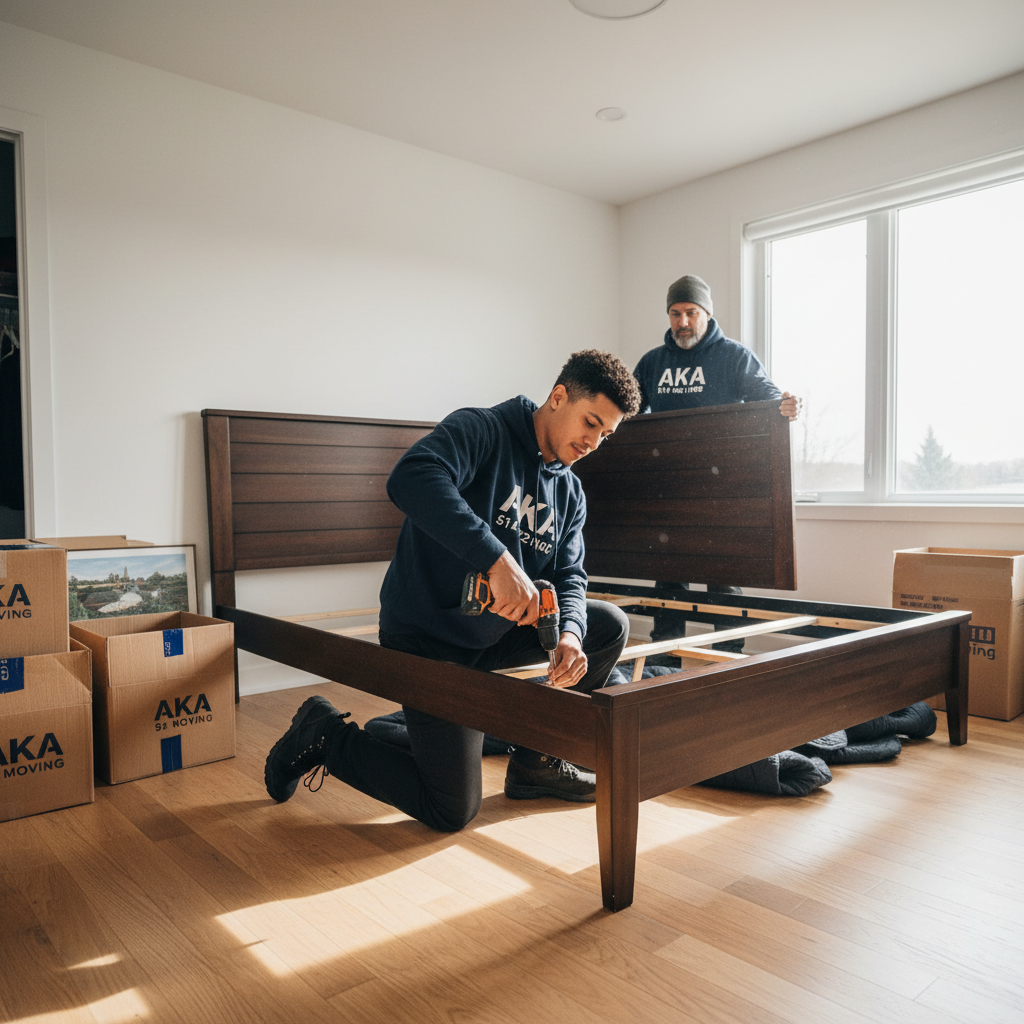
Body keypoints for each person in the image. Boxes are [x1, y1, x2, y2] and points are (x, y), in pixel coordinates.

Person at [264, 349, 643, 832]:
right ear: (558, 396)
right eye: (590, 422)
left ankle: (537, 761)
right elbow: (410, 477)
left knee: (606, 625)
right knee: (451, 808)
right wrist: (495, 559)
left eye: (604, 434)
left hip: (492, 638)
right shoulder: (483, 430)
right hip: (428, 639)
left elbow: (571, 575)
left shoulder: (570, 493)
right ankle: (323, 736)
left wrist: (569, 631)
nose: (592, 442)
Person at [633, 274, 799, 654]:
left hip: (722, 492)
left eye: (691, 312)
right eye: (675, 314)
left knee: (723, 580)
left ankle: (727, 658)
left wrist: (786, 406)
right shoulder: (652, 363)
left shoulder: (734, 356)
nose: (683, 322)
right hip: (668, 493)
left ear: (707, 313)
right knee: (669, 582)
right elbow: (625, 412)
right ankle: (664, 660)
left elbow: (768, 402)